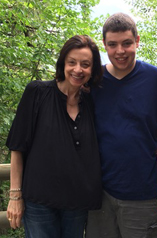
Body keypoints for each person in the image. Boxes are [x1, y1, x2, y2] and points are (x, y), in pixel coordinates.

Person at [85, 12, 157, 238]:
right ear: (104, 45)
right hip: (100, 192)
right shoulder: (94, 80)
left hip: (143, 191)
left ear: (137, 40)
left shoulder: (156, 79)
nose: (120, 51)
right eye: (112, 44)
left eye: (126, 43)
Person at [6, 35, 103, 237]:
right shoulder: (38, 92)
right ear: (62, 63)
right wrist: (15, 196)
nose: (78, 69)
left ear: (92, 69)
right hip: (39, 201)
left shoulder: (91, 102)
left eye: (85, 64)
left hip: (77, 202)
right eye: (72, 62)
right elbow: (17, 146)